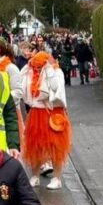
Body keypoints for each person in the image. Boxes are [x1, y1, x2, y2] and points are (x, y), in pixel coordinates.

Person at [21, 52, 72, 190]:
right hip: (36, 113)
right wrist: (28, 66)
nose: (36, 69)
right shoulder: (30, 72)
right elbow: (21, 82)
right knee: (35, 146)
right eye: (35, 66)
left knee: (55, 146)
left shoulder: (56, 72)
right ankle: (35, 176)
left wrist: (49, 70)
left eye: (39, 67)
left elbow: (55, 87)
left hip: (53, 113)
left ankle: (57, 178)